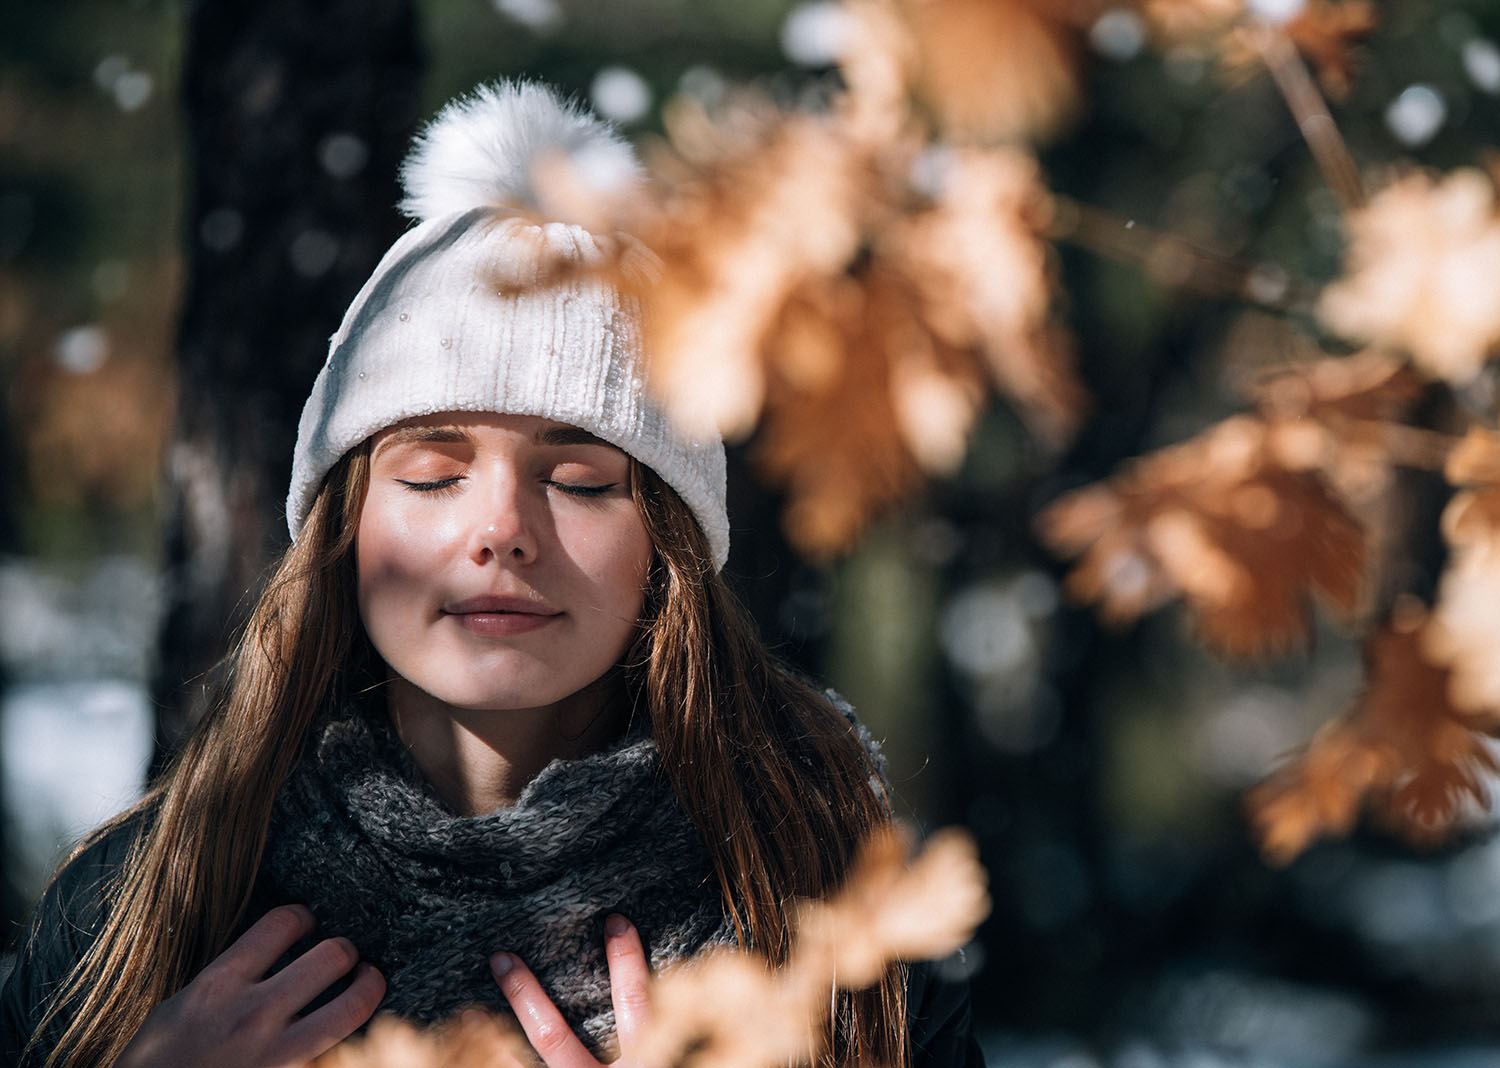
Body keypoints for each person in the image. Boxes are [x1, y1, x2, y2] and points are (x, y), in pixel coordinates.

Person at [0, 81, 983, 1068]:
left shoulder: (831, 909)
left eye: (580, 480)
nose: (502, 531)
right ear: (345, 529)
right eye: (432, 475)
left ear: (667, 551)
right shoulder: (144, 905)